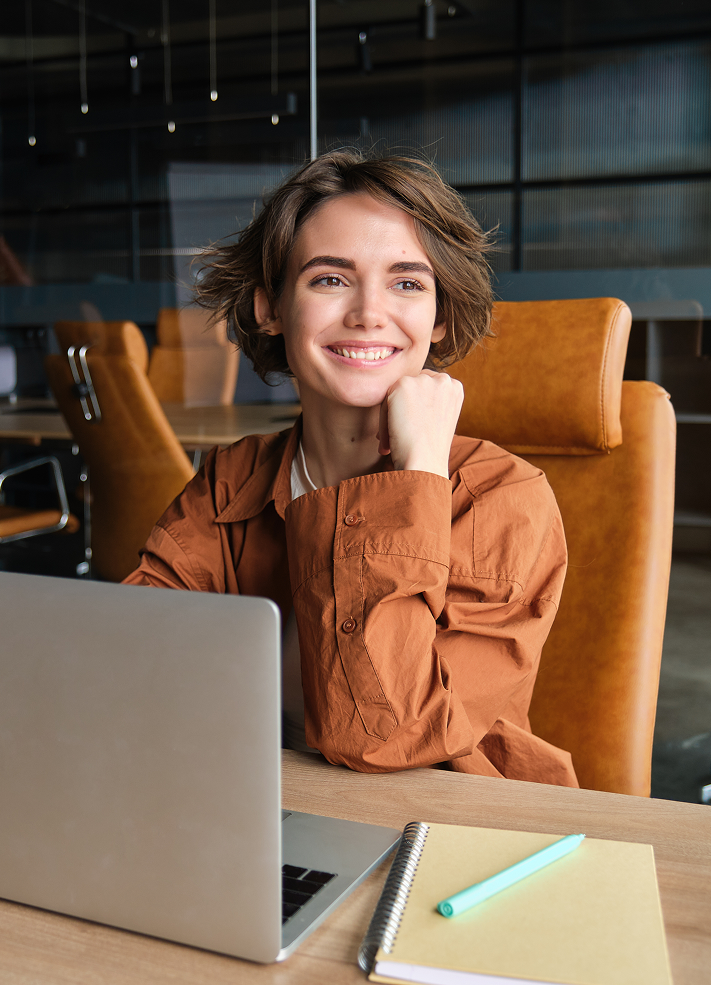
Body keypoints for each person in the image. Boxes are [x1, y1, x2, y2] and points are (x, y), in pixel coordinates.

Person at [124, 152, 577, 787]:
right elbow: (130, 669)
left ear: (439, 317)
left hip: (442, 830)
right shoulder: (233, 479)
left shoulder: (501, 500)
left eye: (408, 283)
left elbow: (387, 740)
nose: (369, 312)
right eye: (330, 279)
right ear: (270, 309)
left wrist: (416, 479)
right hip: (255, 808)